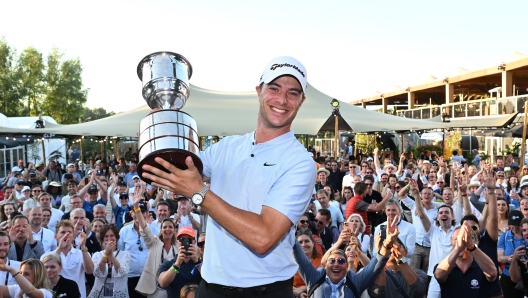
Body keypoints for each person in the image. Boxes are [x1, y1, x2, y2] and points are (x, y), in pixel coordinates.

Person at [142, 56, 315, 297]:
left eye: (293, 93)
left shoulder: (300, 162)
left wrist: (199, 192)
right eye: (274, 88)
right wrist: (164, 124)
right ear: (259, 91)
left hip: (266, 291)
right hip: (211, 288)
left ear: (301, 101)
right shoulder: (228, 147)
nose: (282, 100)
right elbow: (179, 168)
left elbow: (263, 237)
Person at [293, 214, 399, 297]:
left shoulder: (355, 282)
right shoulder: (315, 278)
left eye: (341, 261)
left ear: (346, 266)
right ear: (325, 265)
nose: (336, 264)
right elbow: (296, 248)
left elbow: (376, 265)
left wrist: (387, 245)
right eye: (332, 261)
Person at [132, 188, 178, 298]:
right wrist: (136, 207)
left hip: (173, 287)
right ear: (161, 230)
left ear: (174, 230)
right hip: (156, 288)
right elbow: (143, 227)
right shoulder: (154, 243)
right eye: (165, 227)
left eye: (170, 227)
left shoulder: (177, 247)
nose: (167, 229)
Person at [434, 223, 498, 298]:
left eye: (464, 239)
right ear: (451, 243)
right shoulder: (445, 266)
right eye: (456, 239)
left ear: (475, 243)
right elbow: (439, 275)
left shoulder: (482, 266)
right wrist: (458, 248)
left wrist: (471, 246)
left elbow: (493, 273)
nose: (460, 242)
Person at [42, 220, 94, 298]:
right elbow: (44, 274)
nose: (66, 235)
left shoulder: (82, 253)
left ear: (73, 236)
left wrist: (83, 246)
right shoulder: (46, 256)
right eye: (63, 232)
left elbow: (90, 271)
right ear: (56, 236)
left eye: (69, 232)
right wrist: (60, 248)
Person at [87, 225, 131, 298]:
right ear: (103, 239)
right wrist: (105, 255)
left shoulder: (125, 255)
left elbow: (122, 272)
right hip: (100, 293)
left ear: (116, 237)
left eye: (112, 235)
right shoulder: (97, 255)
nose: (109, 238)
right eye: (106, 236)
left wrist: (112, 256)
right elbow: (97, 272)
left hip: (119, 293)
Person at [158, 226, 202, 297]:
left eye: (189, 239)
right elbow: (162, 283)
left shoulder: (201, 264)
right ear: (177, 242)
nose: (185, 242)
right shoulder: (169, 264)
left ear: (194, 242)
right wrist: (177, 264)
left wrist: (197, 262)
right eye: (182, 239)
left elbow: (210, 283)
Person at [293, 229, 322, 297]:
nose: (303, 245)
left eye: (307, 241)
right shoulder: (291, 262)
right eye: (300, 242)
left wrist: (302, 289)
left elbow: (325, 280)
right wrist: (298, 293)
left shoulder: (322, 260)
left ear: (313, 243)